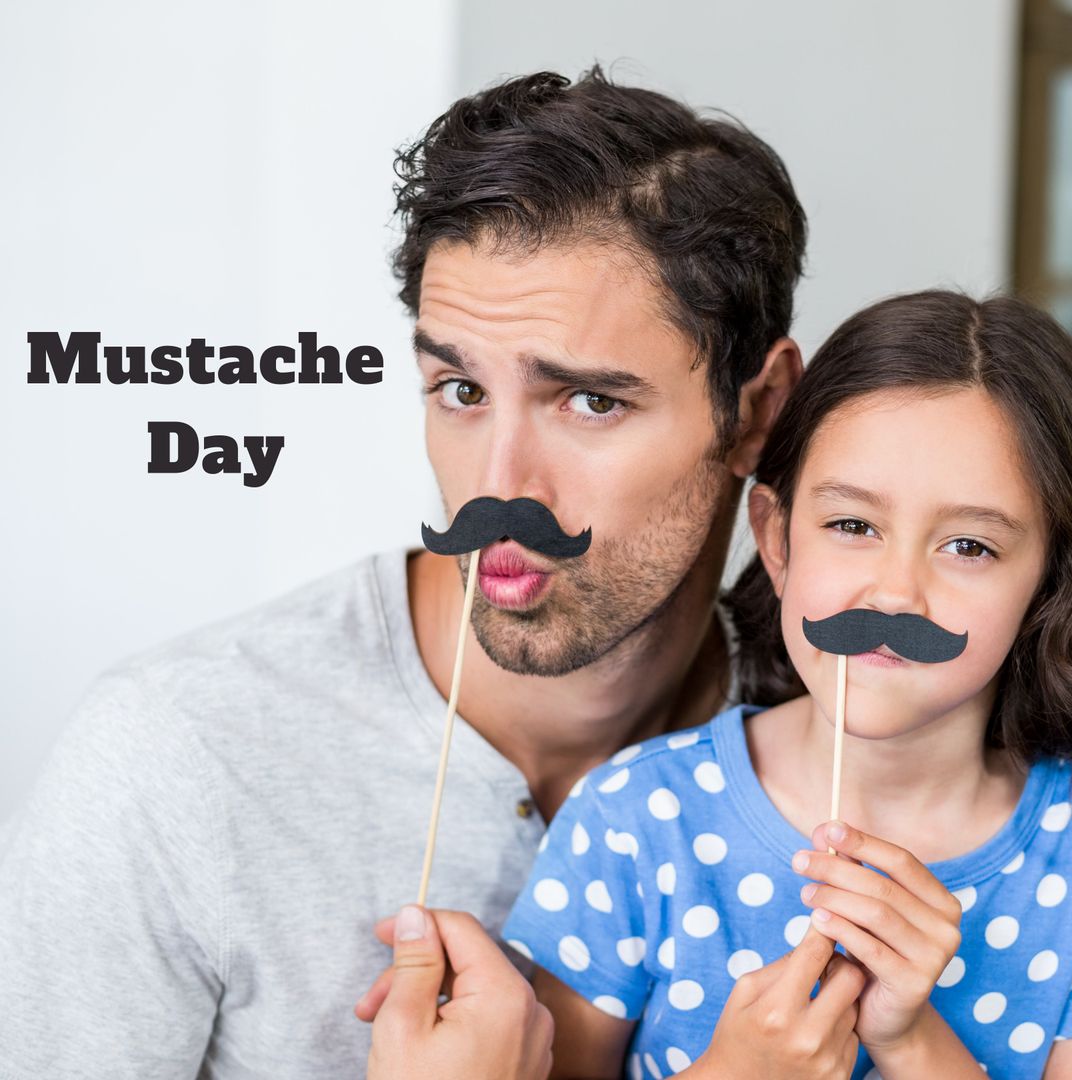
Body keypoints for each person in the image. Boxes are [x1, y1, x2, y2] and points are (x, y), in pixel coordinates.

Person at [0, 67, 806, 1077]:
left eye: (590, 402)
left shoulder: (857, 743)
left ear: (760, 411)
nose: (498, 486)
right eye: (459, 388)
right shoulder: (174, 758)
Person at [500, 291, 1072, 1078]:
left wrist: (912, 1040)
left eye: (970, 546)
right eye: (852, 526)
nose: (895, 593)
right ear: (776, 539)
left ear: (1048, 581)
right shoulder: (634, 823)